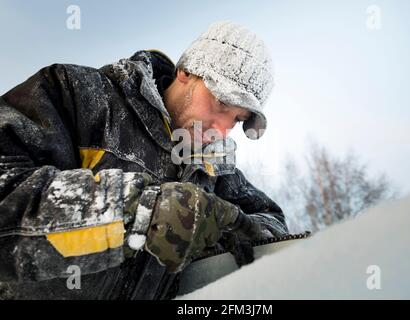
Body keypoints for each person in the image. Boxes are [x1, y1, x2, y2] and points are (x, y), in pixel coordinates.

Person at [0, 21, 288, 300]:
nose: (221, 131)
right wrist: (139, 212)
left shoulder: (214, 167)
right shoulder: (79, 97)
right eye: (221, 103)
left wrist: (224, 234)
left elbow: (271, 227)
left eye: (237, 120)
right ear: (185, 72)